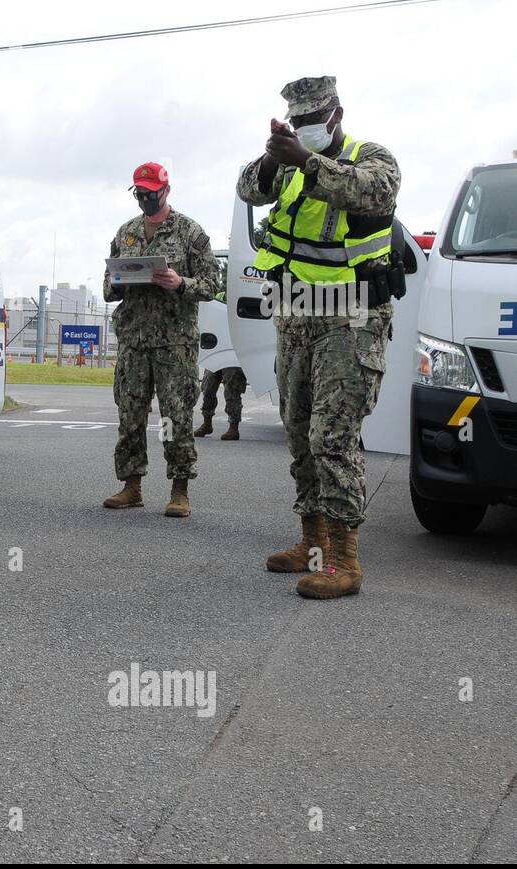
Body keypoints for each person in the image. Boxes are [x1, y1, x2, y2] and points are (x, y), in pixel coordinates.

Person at [237, 76, 401, 599]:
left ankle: (344, 560)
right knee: (299, 429)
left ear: (336, 115)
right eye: (298, 122)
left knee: (333, 435)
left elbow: (372, 191)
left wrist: (308, 163)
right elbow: (247, 189)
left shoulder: (370, 156)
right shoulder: (283, 162)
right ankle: (312, 545)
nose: (307, 129)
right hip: (296, 314)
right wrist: (271, 160)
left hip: (351, 318)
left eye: (315, 119)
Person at [102, 162, 220, 517]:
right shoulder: (126, 233)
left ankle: (179, 489)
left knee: (175, 416)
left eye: (150, 192)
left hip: (174, 343)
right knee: (130, 414)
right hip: (134, 340)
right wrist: (119, 281)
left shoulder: (190, 232)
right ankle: (131, 486)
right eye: (138, 192)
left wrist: (181, 283)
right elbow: (107, 286)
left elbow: (212, 284)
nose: (144, 198)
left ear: (165, 191)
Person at [194, 366, 248, 440]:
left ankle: (233, 427)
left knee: (232, 391)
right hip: (215, 357)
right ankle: (207, 423)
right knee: (207, 388)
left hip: (233, 360)